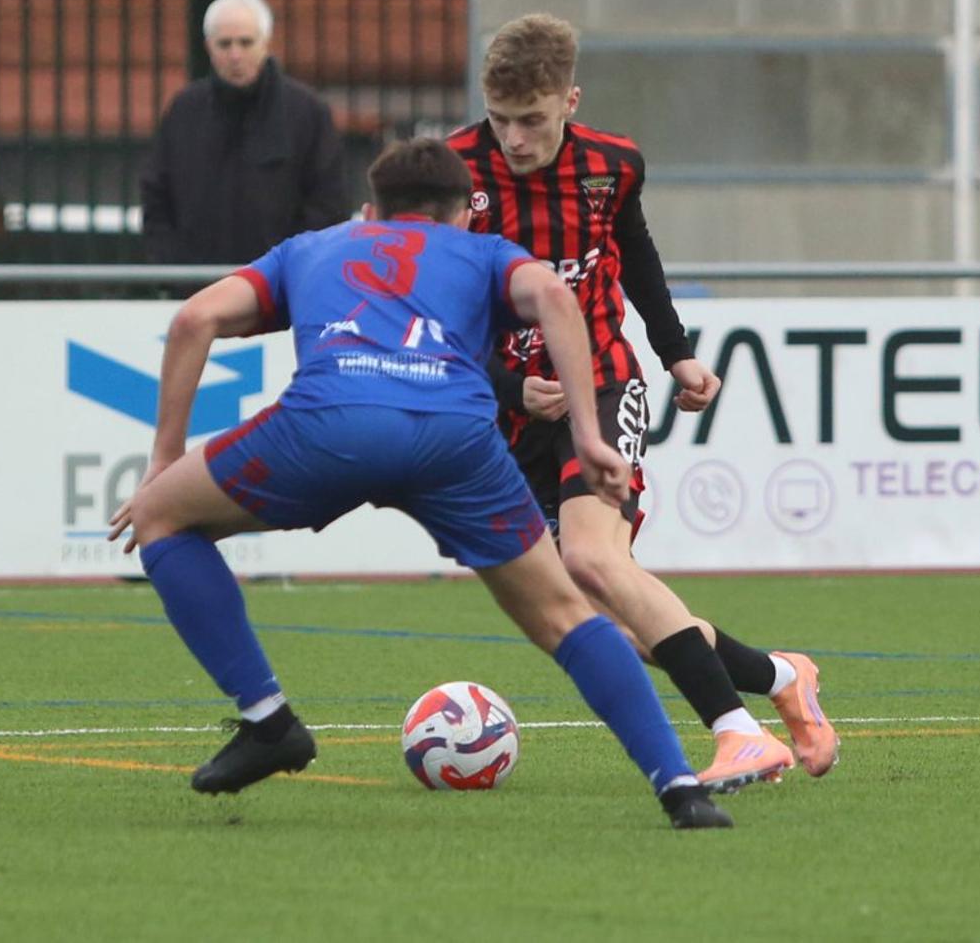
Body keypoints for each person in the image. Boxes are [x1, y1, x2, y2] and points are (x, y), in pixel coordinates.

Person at [108, 138, 733, 830]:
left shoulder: (311, 248)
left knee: (161, 520)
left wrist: (163, 461)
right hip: (455, 443)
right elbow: (556, 297)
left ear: (370, 210)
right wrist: (587, 432)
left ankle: (268, 719)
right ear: (466, 212)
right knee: (566, 616)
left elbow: (194, 318)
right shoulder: (485, 252)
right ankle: (681, 787)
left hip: (327, 429)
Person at [448, 14, 839, 789]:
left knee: (596, 558)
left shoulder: (611, 165)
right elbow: (438, 303)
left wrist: (677, 353)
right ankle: (781, 677)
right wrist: (505, 386)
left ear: (570, 100)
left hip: (604, 383)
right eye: (501, 121)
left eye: (532, 120)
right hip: (506, 409)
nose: (515, 140)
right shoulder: (455, 172)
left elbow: (636, 256)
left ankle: (738, 735)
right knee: (612, 625)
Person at [140, 0, 349, 274]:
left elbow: (328, 204)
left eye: (245, 42)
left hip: (280, 291)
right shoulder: (184, 111)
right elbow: (156, 196)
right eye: (224, 44)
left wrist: (289, 270)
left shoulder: (306, 113)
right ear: (208, 46)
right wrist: (174, 266)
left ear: (265, 43)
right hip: (197, 287)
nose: (235, 55)